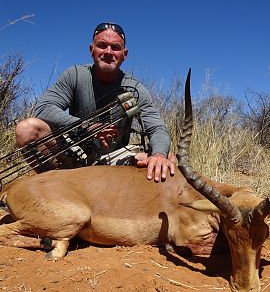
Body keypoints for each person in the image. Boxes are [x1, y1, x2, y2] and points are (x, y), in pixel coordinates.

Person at [15, 22, 175, 182]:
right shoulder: (75, 75)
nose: (108, 52)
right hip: (75, 153)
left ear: (124, 54)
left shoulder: (135, 89)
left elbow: (157, 128)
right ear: (92, 49)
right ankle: (58, 187)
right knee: (26, 129)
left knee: (167, 157)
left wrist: (159, 154)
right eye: (102, 45)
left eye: (115, 47)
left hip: (117, 158)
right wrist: (86, 127)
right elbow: (43, 108)